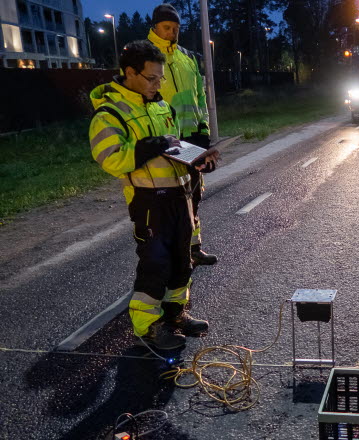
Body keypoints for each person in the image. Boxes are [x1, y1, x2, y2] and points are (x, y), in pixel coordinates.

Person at [89, 40, 213, 350]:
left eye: (160, 78)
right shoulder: (110, 113)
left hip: (179, 194)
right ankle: (148, 327)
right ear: (130, 72)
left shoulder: (161, 105)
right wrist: (145, 147)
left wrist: (197, 160)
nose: (158, 84)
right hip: (148, 201)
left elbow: (173, 149)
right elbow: (110, 158)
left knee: (182, 260)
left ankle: (175, 315)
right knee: (155, 263)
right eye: (152, 78)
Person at [148, 3, 218, 267]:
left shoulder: (187, 57)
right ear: (155, 26)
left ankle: (194, 248)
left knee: (194, 194)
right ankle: (173, 254)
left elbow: (199, 97)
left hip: (191, 140)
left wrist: (204, 132)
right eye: (167, 28)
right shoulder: (147, 56)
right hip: (165, 143)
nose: (172, 33)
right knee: (170, 201)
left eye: (176, 28)